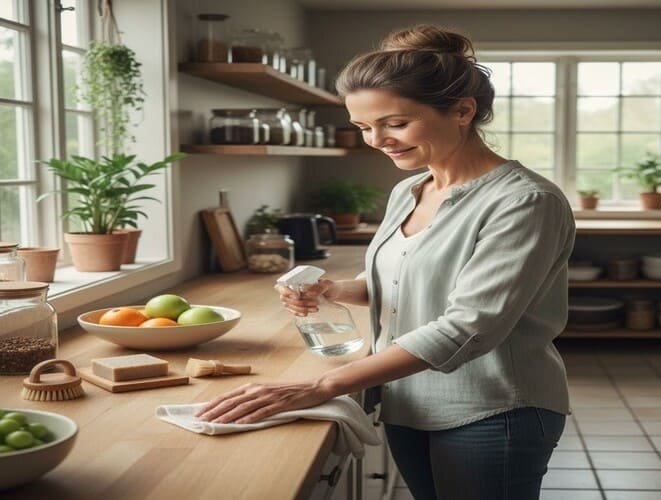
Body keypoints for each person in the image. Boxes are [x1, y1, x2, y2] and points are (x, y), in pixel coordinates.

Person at [195, 24, 575, 500]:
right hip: (406, 398)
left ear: (462, 110)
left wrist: (322, 385)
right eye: (363, 127)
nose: (377, 141)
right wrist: (336, 289)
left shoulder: (525, 201)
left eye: (395, 123)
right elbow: (403, 279)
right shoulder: (410, 189)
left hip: (493, 409)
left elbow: (470, 326)